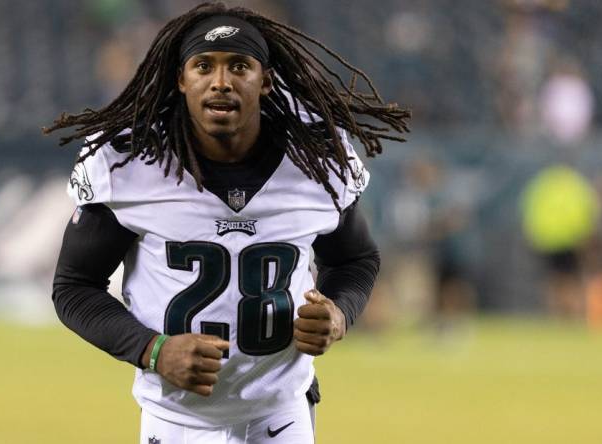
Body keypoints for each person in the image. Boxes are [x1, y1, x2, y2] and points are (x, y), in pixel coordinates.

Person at [44, 3, 409, 443]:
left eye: (239, 66)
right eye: (203, 66)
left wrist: (339, 312)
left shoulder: (317, 160)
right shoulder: (130, 162)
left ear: (266, 80)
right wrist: (153, 350)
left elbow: (355, 259)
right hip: (177, 420)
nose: (221, 82)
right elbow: (73, 286)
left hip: (281, 413)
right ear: (181, 80)